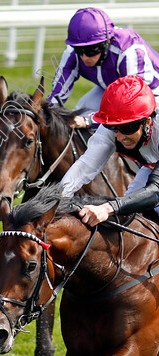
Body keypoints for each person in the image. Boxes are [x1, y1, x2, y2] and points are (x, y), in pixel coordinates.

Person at [59, 75, 159, 226]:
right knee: (131, 216)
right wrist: (57, 199)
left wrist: (108, 208)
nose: (119, 136)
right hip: (153, 165)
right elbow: (85, 166)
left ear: (147, 122)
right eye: (113, 127)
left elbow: (156, 191)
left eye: (127, 128)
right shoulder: (113, 127)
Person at [48, 7, 159, 129]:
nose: (84, 57)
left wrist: (88, 121)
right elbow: (56, 97)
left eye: (92, 50)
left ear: (107, 42)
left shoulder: (128, 50)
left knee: (119, 130)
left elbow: (131, 106)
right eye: (79, 50)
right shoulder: (72, 52)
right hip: (115, 89)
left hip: (149, 95)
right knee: (80, 111)